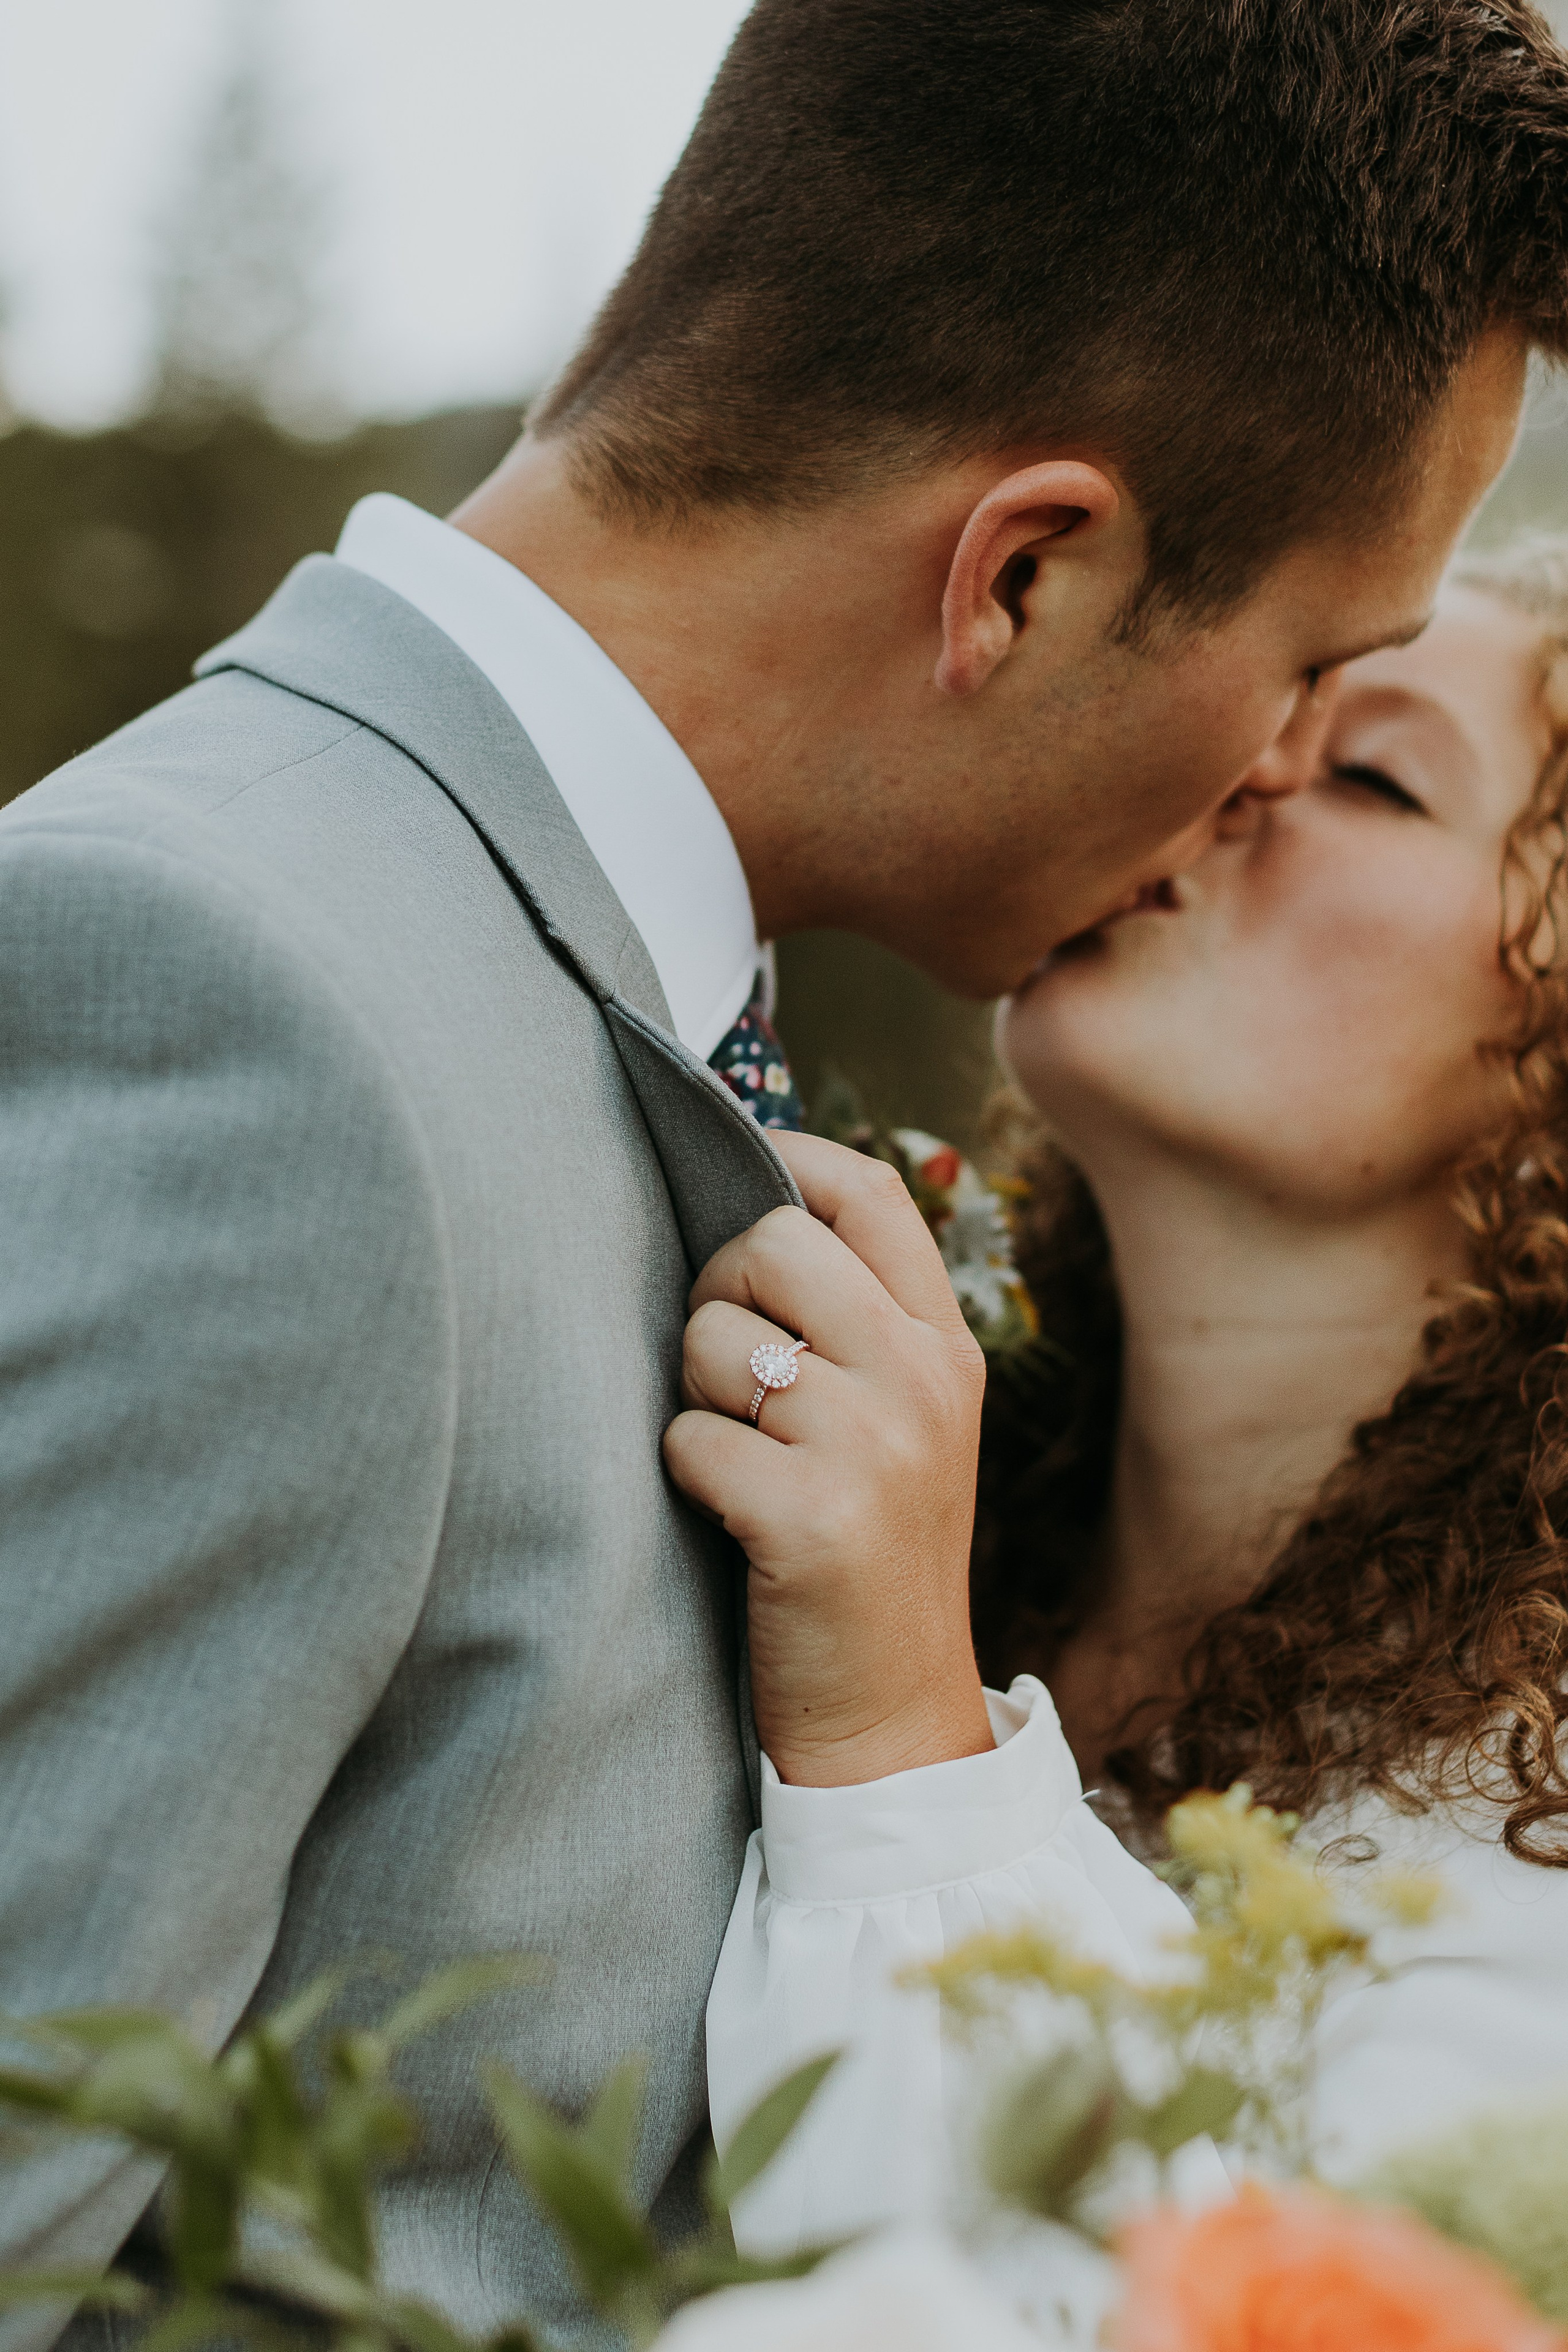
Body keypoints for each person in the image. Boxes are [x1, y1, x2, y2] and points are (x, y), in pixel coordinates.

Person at [5, 4, 1567, 2342]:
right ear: (1019, 576)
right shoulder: (243, 1004)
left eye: (1372, 754)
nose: (1258, 778)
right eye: (1305, 678)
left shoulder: (655, 1107)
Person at [684, 535, 1568, 2253]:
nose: (1238, 771)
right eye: (1272, 711)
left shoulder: (1534, 1810)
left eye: (1376, 774)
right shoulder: (897, 1488)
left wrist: (893, 1749)